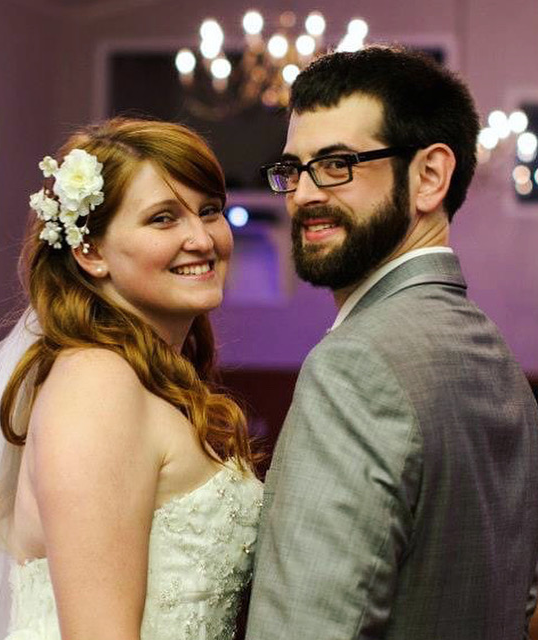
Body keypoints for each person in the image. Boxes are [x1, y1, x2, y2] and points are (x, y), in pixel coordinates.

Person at [0, 117, 263, 640]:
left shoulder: (140, 378)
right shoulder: (98, 384)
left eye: (209, 211)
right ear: (90, 252)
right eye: (164, 219)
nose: (202, 239)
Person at [246, 45, 538, 640]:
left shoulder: (353, 366)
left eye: (337, 164)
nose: (302, 194)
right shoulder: (497, 358)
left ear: (429, 175)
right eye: (293, 170)